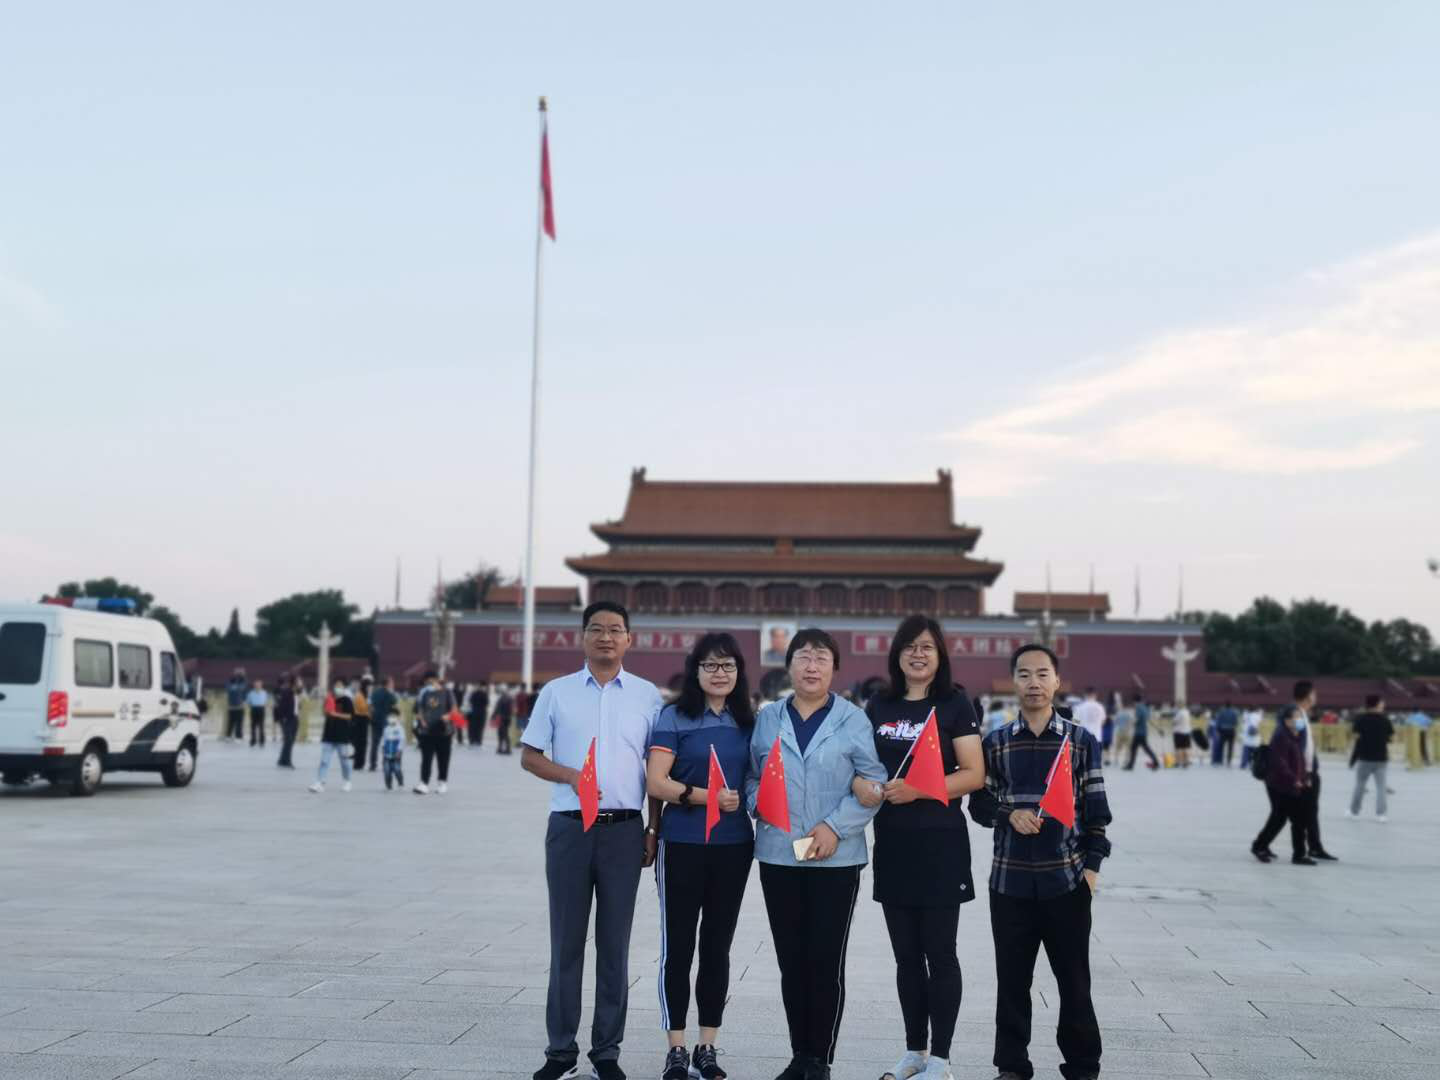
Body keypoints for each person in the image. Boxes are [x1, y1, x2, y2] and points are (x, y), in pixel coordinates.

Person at [520, 601, 664, 1080]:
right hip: (570, 829)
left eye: (615, 630)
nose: (606, 637)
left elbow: (657, 769)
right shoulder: (557, 693)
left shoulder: (647, 697)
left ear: (629, 639)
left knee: (614, 946)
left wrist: (652, 827)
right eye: (597, 629)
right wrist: (570, 776)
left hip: (624, 830)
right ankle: (560, 1052)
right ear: (582, 637)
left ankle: (606, 1052)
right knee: (566, 943)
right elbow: (529, 756)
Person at [745, 628, 886, 1080]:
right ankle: (798, 1055)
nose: (811, 666)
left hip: (835, 858)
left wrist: (835, 827)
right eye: (803, 657)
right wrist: (757, 802)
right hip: (778, 854)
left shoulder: (853, 719)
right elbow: (752, 776)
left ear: (834, 668)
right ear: (788, 666)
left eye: (821, 658)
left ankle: (819, 1059)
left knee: (825, 960)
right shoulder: (769, 718)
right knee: (791, 961)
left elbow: (874, 783)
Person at [853, 616, 984, 1080]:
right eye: (909, 646)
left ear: (940, 654)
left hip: (941, 845)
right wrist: (862, 784)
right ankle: (914, 1052)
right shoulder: (879, 704)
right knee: (906, 957)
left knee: (940, 953)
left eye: (927, 646)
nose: (918, 654)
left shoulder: (954, 704)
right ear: (897, 654)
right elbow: (860, 764)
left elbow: (974, 774)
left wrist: (919, 790)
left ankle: (941, 1059)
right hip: (893, 844)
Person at [979, 643, 1110, 1080]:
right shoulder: (996, 743)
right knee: (1012, 982)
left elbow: (1097, 813)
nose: (1033, 683)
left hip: (1066, 883)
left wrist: (1090, 871)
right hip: (1009, 884)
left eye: (1041, 674)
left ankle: (1082, 1066)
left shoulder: (1080, 742)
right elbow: (979, 803)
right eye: (1024, 674)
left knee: (1074, 982)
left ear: (1056, 681)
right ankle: (1012, 1066)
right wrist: (1008, 814)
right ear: (1013, 682)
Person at [646, 633, 756, 1080]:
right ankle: (676, 1047)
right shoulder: (673, 717)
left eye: (728, 665)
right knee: (678, 946)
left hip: (734, 846)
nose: (719, 673)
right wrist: (704, 796)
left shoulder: (748, 721)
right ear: (695, 671)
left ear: (739, 672)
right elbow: (656, 781)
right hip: (682, 844)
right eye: (710, 665)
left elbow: (760, 779)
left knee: (717, 947)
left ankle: (707, 1045)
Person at [1251, 705, 1311, 864]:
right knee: (1297, 819)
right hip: (1281, 784)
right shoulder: (1281, 736)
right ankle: (1299, 855)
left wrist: (1304, 777)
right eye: (1297, 717)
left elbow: (1299, 760)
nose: (1300, 720)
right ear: (1287, 720)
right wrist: (1294, 779)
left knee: (1280, 817)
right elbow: (1279, 762)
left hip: (1287, 782)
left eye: (1301, 717)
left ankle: (1260, 846)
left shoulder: (1294, 735)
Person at [1293, 682, 1337, 861]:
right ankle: (1306, 849)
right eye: (1314, 694)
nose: (1315, 697)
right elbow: (1297, 742)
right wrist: (1304, 772)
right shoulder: (1296, 714)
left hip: (1309, 769)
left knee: (1310, 810)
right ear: (1307, 696)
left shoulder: (1303, 714)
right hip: (1304, 771)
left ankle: (1315, 846)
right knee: (1300, 812)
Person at [1347, 695, 1393, 822]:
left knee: (1360, 785)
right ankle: (1381, 814)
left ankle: (1354, 811)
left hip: (1364, 757)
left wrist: (1354, 757)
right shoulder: (1385, 720)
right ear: (1377, 704)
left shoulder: (1360, 719)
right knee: (1381, 787)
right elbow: (1390, 737)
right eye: (1382, 702)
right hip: (1381, 758)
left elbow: (1356, 738)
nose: (1383, 704)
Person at [412, 671, 455, 795]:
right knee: (426, 758)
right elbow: (418, 709)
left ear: (437, 680)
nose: (428, 684)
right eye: (426, 682)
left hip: (444, 731)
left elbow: (454, 710)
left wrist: (447, 717)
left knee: (443, 758)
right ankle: (424, 783)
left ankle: (442, 782)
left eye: (430, 681)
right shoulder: (424, 693)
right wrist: (421, 720)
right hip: (427, 732)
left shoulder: (447, 692)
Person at [309, 680, 354, 793]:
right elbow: (325, 713)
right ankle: (320, 782)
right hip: (328, 735)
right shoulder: (330, 698)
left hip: (342, 736)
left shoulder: (347, 700)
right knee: (324, 760)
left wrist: (335, 714)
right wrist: (326, 709)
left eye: (340, 686)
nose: (338, 688)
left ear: (344, 687)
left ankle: (347, 781)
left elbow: (349, 716)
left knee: (344, 761)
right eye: (336, 686)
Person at [367, 675, 399, 771]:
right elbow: (395, 701)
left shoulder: (375, 692)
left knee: (374, 743)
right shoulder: (388, 693)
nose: (392, 684)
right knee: (386, 742)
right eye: (391, 683)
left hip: (375, 719)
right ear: (388, 684)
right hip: (385, 720)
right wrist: (391, 691)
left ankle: (373, 764)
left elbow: (370, 705)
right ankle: (386, 763)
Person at [1124, 695, 1158, 770]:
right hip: (1144, 732)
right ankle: (1155, 762)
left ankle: (1130, 765)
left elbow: (1136, 719)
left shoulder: (1138, 708)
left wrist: (1128, 726)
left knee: (1134, 748)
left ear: (1134, 701)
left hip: (1139, 732)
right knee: (1144, 748)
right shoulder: (1145, 708)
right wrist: (1158, 729)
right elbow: (1149, 720)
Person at [274, 675, 299, 769]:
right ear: (295, 683)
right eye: (299, 681)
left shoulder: (296, 692)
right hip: (287, 719)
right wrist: (283, 717)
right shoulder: (287, 691)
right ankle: (287, 761)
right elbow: (281, 705)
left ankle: (282, 760)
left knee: (290, 741)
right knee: (288, 740)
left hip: (295, 718)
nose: (301, 683)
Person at [1071, 689, 1105, 756]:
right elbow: (1103, 721)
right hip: (1097, 737)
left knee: (1084, 760)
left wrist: (1082, 723)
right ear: (1095, 695)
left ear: (1085, 695)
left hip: (1084, 738)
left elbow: (1074, 721)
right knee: (1096, 760)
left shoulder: (1080, 707)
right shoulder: (1100, 707)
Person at [381, 710, 406, 791]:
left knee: (397, 768)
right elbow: (383, 739)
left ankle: (400, 783)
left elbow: (402, 740)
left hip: (396, 752)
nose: (391, 718)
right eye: (390, 717)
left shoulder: (400, 728)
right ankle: (388, 785)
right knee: (387, 769)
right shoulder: (386, 729)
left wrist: (399, 751)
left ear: (397, 718)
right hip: (387, 752)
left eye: (393, 717)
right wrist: (383, 748)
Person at [351, 676, 373, 770]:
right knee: (359, 742)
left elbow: (369, 709)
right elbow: (362, 708)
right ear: (365, 686)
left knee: (363, 742)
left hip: (365, 719)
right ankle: (358, 763)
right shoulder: (359, 695)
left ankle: (361, 762)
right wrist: (369, 704)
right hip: (359, 719)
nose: (370, 688)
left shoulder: (366, 695)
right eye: (369, 686)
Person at [1213, 701, 1239, 767]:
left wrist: (1217, 730)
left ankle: (1220, 760)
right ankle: (1229, 761)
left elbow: (1218, 721)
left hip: (1223, 730)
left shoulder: (1221, 712)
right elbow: (1236, 722)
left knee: (1221, 746)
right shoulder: (1234, 712)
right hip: (1231, 730)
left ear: (1225, 705)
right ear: (1231, 705)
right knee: (1230, 747)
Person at [224, 670, 247, 742]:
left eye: (239, 673)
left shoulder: (243, 682)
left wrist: (244, 701)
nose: (238, 675)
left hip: (240, 706)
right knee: (231, 722)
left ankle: (238, 736)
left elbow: (244, 690)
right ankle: (228, 735)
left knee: (239, 722)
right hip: (231, 706)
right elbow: (228, 688)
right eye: (237, 673)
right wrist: (235, 687)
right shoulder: (230, 681)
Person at [1239, 706, 1264, 771]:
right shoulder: (1257, 716)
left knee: (1246, 752)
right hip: (1255, 738)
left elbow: (1243, 719)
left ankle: (1243, 764)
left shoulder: (1246, 715)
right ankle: (1253, 764)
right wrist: (1260, 712)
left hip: (1246, 737)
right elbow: (1260, 719)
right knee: (1255, 753)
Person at [468, 681, 491, 748]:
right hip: (482, 712)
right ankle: (478, 740)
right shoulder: (484, 694)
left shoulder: (474, 693)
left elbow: (470, 701)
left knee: (473, 727)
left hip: (474, 712)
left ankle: (472, 740)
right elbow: (487, 703)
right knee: (480, 727)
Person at [246, 679, 269, 747]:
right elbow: (248, 702)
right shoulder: (250, 693)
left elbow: (266, 701)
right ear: (254, 685)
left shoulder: (264, 692)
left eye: (259, 684)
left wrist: (264, 706)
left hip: (261, 709)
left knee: (261, 725)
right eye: (256, 685)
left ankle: (262, 741)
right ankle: (253, 740)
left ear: (261, 685)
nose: (257, 686)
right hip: (254, 709)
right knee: (253, 726)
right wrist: (251, 706)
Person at [495, 687, 515, 755]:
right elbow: (512, 710)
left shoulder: (501, 699)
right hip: (507, 718)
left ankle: (503, 748)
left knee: (502, 733)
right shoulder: (510, 699)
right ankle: (506, 748)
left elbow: (497, 708)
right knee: (505, 733)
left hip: (502, 718)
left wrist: (494, 716)